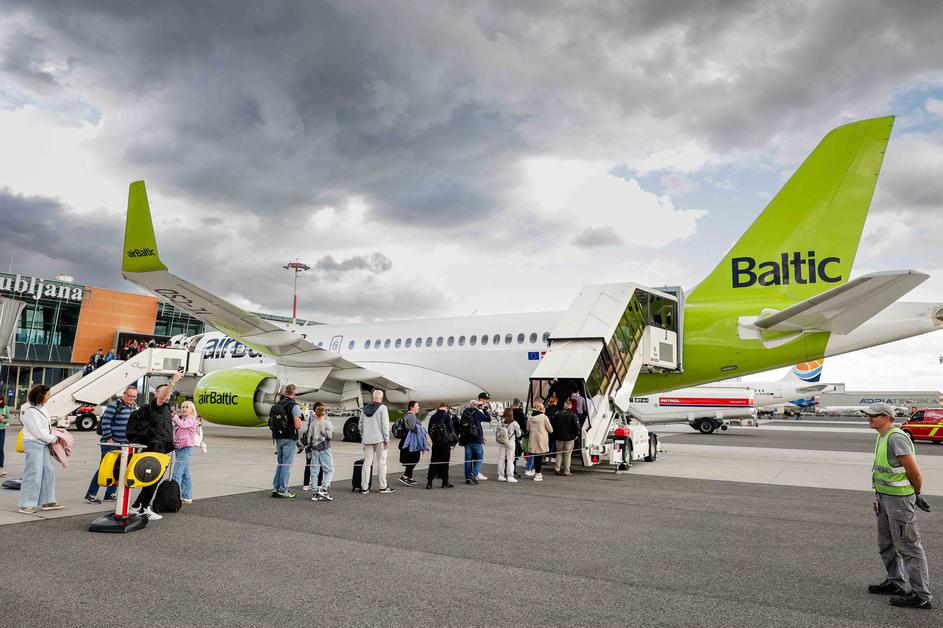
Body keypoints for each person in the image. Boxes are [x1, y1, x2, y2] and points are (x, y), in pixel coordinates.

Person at [864, 402, 933, 609]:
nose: (869, 418)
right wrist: (878, 497)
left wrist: (916, 493)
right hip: (884, 498)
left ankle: (921, 596)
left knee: (909, 547)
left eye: (873, 415)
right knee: (886, 544)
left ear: (886, 417)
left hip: (899, 501)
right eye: (868, 415)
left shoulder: (896, 438)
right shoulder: (882, 436)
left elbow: (914, 472)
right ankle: (896, 583)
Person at [130, 372, 182, 519]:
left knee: (153, 479)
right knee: (153, 479)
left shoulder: (164, 407)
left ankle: (138, 506)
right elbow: (162, 397)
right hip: (155, 448)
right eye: (165, 392)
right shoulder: (156, 405)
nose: (168, 394)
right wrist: (172, 382)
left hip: (160, 447)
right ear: (157, 394)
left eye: (169, 393)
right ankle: (143, 508)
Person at [84, 386, 138, 504]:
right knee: (104, 468)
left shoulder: (131, 407)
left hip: (124, 445)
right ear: (124, 394)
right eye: (129, 396)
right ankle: (91, 494)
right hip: (111, 444)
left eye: (134, 397)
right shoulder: (114, 406)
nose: (131, 398)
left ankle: (109, 494)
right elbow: (106, 422)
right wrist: (109, 438)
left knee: (117, 470)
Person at [17, 384, 60, 514]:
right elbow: (38, 431)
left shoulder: (42, 408)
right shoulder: (30, 412)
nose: (49, 397)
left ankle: (48, 500)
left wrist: (51, 437)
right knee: (33, 473)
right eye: (47, 394)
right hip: (34, 443)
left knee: (48, 471)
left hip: (42, 442)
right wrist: (53, 438)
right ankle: (26, 504)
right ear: (40, 396)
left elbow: (43, 429)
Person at [359, 389, 395, 494]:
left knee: (367, 463)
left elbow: (360, 425)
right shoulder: (383, 408)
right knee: (382, 463)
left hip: (367, 440)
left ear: (372, 397)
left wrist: (363, 436)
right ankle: (383, 487)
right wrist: (387, 439)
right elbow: (385, 425)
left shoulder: (365, 408)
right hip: (379, 440)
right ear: (382, 398)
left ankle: (364, 488)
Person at [271, 384, 303, 499]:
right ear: (294, 393)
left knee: (280, 463)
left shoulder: (278, 404)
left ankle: (276, 487)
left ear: (285, 392)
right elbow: (297, 425)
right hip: (289, 437)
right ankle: (283, 489)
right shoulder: (293, 406)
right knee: (287, 465)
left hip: (278, 437)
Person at [305, 402, 335, 502]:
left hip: (314, 449)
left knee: (314, 471)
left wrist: (309, 448)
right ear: (324, 413)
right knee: (329, 470)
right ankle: (324, 489)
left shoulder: (313, 423)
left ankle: (314, 493)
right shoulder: (327, 423)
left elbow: (309, 438)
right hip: (324, 448)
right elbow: (330, 436)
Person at [172, 401, 198, 504]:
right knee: (185, 474)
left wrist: (175, 417)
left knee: (176, 474)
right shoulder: (183, 419)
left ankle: (174, 497)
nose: (184, 409)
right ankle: (187, 497)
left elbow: (182, 425)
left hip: (186, 448)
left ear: (192, 410)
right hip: (179, 447)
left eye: (187, 407)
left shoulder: (191, 420)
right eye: (183, 407)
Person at [426, 402, 455, 489]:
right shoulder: (446, 416)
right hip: (445, 443)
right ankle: (445, 482)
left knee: (433, 462)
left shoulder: (433, 416)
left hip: (436, 442)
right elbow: (450, 429)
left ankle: (429, 482)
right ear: (446, 408)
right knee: (445, 462)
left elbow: (429, 429)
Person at [460, 399, 489, 484]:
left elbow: (461, 425)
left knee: (468, 459)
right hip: (476, 439)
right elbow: (488, 419)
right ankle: (474, 473)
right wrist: (484, 410)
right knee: (479, 458)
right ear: (477, 406)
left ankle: (468, 478)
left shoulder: (465, 413)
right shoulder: (478, 413)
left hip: (467, 440)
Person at [526, 401, 553, 482]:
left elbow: (527, 429)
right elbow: (550, 429)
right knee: (539, 458)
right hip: (541, 440)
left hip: (532, 439)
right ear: (541, 408)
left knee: (535, 456)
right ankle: (537, 474)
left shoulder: (530, 417)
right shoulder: (544, 417)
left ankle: (535, 472)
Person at [553, 400, 581, 476]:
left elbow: (553, 425)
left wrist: (554, 434)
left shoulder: (557, 414)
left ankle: (557, 469)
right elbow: (577, 426)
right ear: (570, 406)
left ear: (564, 405)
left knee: (559, 453)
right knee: (567, 454)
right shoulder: (573, 415)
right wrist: (578, 435)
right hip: (570, 438)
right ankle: (566, 471)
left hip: (559, 437)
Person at [494, 408, 521, 482]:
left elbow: (496, 432)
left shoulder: (500, 422)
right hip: (511, 442)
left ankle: (500, 475)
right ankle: (510, 476)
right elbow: (519, 434)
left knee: (501, 458)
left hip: (502, 442)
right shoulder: (514, 423)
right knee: (510, 459)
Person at [398, 401, 421, 486]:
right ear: (412, 407)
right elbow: (412, 428)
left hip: (410, 441)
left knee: (412, 458)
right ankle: (404, 477)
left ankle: (410, 477)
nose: (418, 407)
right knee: (414, 459)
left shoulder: (409, 415)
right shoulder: (411, 415)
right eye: (417, 406)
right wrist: (422, 431)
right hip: (411, 441)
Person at [0, 394, 10, 477]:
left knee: (0, 449)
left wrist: (4, 420)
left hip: (1, 430)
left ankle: (1, 469)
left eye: (1, 400)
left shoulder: (5, 408)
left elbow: (9, 419)